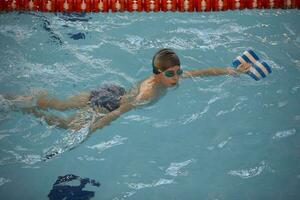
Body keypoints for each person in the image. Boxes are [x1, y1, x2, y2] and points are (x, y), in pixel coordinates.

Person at [23, 48, 250, 136]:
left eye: (178, 72)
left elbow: (201, 72)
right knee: (68, 125)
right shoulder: (148, 93)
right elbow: (119, 112)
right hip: (109, 103)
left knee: (61, 104)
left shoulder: (171, 77)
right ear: (156, 73)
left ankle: (34, 97)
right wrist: (91, 128)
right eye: (170, 74)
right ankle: (30, 109)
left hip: (113, 90)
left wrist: (231, 71)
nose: (177, 77)